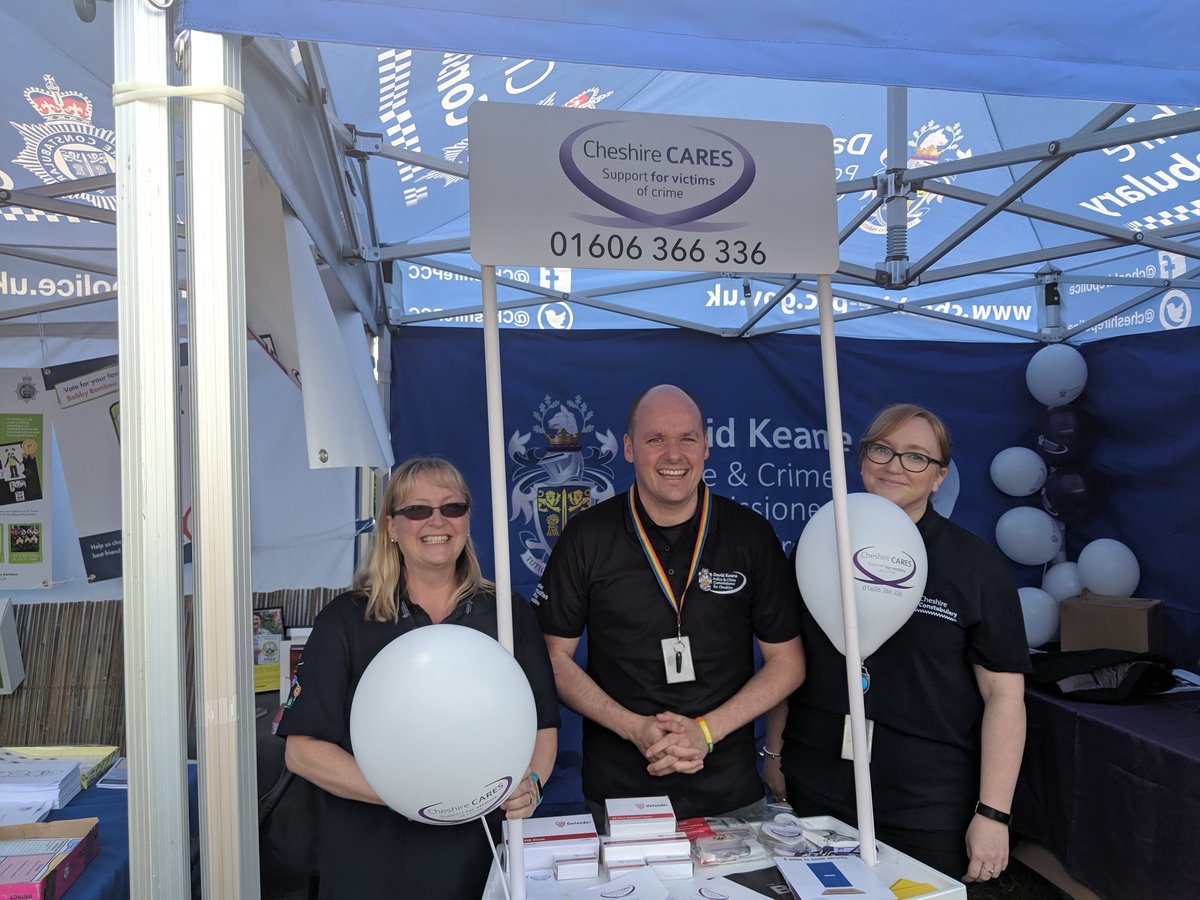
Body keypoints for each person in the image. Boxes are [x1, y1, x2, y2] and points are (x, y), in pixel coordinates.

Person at [277, 457, 560, 900]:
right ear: (391, 526)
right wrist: (410, 796)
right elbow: (303, 752)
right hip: (371, 863)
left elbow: (542, 726)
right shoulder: (346, 620)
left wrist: (532, 786)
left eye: (452, 507)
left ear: (467, 519)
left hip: (478, 859)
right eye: (417, 510)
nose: (437, 521)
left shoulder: (507, 615)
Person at [774, 403, 1029, 883]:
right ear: (862, 459)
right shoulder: (819, 542)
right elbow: (788, 661)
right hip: (816, 785)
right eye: (882, 450)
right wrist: (774, 754)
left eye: (915, 456)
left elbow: (1004, 696)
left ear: (939, 476)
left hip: (924, 804)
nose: (895, 466)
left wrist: (993, 814)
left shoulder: (975, 566)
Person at [534, 384, 806, 822]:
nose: (674, 455)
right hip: (619, 795)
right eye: (655, 439)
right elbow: (553, 658)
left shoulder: (750, 535)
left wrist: (705, 732)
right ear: (628, 448)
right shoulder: (587, 537)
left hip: (732, 795)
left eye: (688, 439)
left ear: (706, 446)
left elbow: (788, 662)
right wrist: (635, 728)